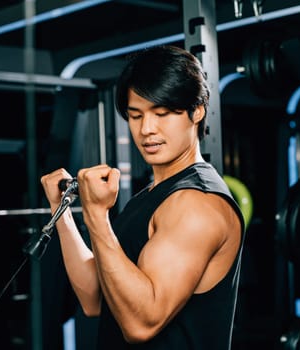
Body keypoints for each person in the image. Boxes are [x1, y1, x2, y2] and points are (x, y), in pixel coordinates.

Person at [40, 45, 245, 349]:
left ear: (197, 111)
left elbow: (140, 324)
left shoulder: (197, 203)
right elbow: (96, 299)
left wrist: (97, 214)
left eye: (162, 114)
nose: (147, 129)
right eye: (136, 116)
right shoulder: (151, 195)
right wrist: (63, 211)